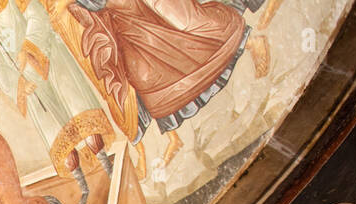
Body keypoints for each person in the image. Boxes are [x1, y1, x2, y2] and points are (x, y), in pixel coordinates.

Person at [56, 0, 269, 167]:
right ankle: (177, 138)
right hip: (124, 18)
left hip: (145, 6)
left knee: (190, 23)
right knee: (144, 76)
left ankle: (248, 41)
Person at [0, 0, 113, 204]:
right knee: (57, 134)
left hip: (49, 57)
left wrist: (28, 48)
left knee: (79, 114)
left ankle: (108, 168)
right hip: (29, 81)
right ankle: (83, 187)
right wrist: (17, 84)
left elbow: (37, 15)